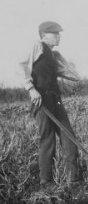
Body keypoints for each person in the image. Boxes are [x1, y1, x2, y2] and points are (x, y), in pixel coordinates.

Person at [20, 21, 81, 186]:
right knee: (48, 140)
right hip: (41, 99)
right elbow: (22, 65)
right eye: (55, 34)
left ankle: (73, 179)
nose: (59, 36)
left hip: (55, 99)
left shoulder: (54, 56)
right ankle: (45, 181)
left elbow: (75, 76)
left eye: (59, 33)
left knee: (69, 136)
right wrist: (31, 88)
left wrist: (60, 59)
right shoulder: (37, 45)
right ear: (44, 35)